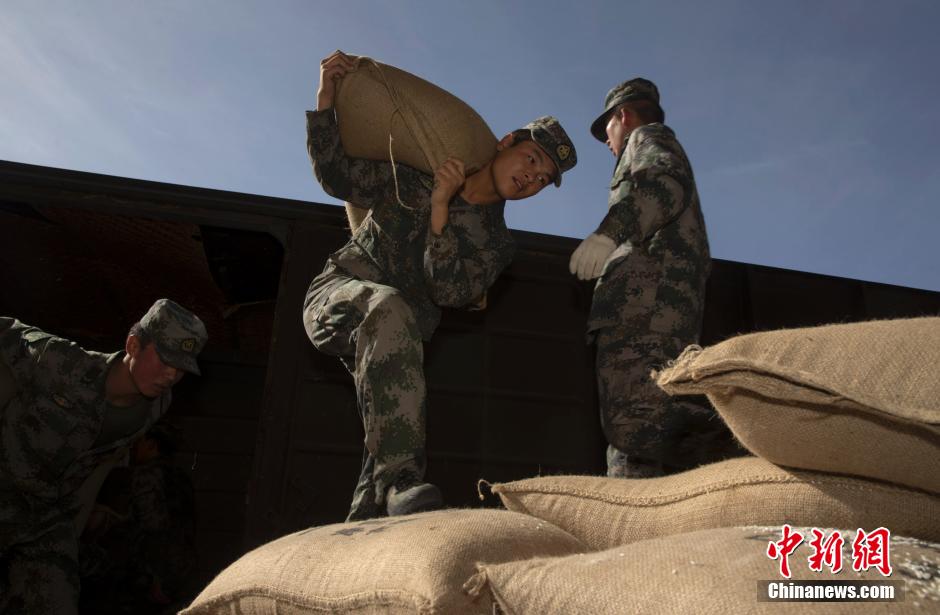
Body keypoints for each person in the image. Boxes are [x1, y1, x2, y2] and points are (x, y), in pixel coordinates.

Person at [304, 50, 577, 521]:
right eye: (531, 158)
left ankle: (370, 514)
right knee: (388, 307)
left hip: (393, 345)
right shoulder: (415, 171)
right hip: (339, 294)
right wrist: (326, 101)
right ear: (506, 142)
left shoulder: (496, 244)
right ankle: (403, 479)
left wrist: (440, 211)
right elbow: (336, 178)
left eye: (541, 179)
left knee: (387, 434)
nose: (531, 177)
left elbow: (450, 292)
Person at [570, 78, 734, 478]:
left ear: (623, 116)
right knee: (628, 445)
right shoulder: (645, 142)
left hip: (648, 306)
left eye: (607, 128)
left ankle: (754, 444)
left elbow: (664, 184)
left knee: (634, 418)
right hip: (647, 304)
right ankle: (634, 511)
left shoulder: (647, 137)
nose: (606, 141)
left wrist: (608, 234)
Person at [0, 299, 206, 614]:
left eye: (181, 368)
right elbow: (6, 332)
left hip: (43, 520)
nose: (170, 375)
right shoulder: (63, 363)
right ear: (133, 345)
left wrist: (77, 523)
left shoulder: (155, 407)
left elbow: (100, 464)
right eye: (165, 359)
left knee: (57, 599)